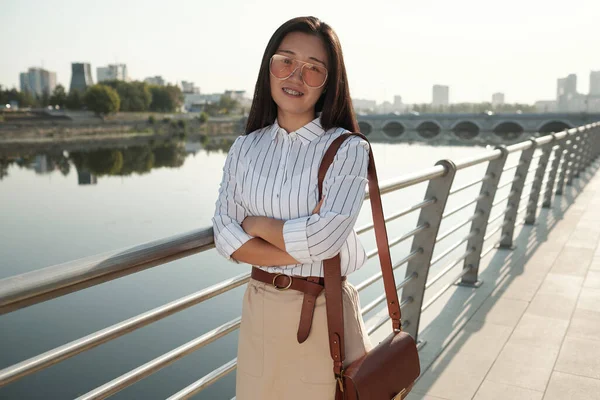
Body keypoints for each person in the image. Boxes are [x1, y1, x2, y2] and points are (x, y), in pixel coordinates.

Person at [212, 16, 372, 400]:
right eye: (285, 61)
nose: (296, 76)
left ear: (329, 83)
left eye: (313, 69)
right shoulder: (245, 147)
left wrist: (256, 222)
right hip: (259, 307)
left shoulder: (348, 148)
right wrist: (301, 242)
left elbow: (324, 242)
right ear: (269, 67)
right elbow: (224, 236)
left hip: (323, 308)